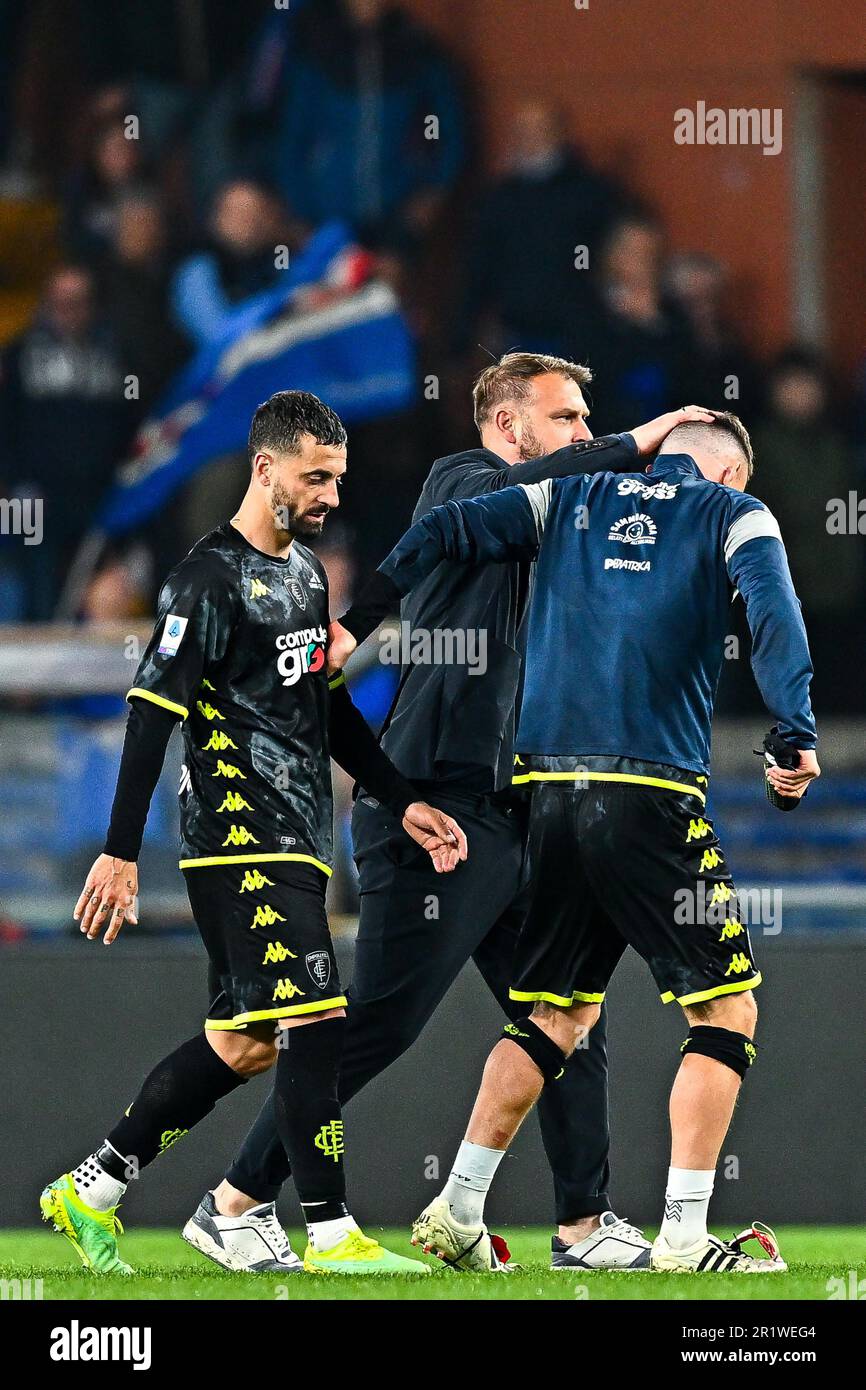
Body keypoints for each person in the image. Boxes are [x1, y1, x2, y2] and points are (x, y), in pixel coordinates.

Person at [185, 353, 717, 1275]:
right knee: (382, 1021)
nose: (587, 435)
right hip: (437, 804)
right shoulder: (464, 482)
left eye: (591, 420)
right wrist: (644, 437)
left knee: (564, 1016)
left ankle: (582, 1227)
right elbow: (541, 486)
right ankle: (234, 1202)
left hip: (522, 807)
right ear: (509, 428)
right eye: (569, 418)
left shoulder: (567, 520)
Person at [334, 410, 819, 1273]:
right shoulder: (735, 514)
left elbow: (441, 529)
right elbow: (774, 614)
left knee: (557, 1013)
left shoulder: (567, 497)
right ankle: (681, 1234)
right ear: (730, 474)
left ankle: (456, 1205)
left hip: (548, 797)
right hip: (650, 792)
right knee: (726, 1008)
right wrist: (793, 728)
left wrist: (357, 621)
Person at [39, 390, 467, 1278]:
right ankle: (331, 1231)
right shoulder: (205, 579)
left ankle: (97, 1183)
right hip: (239, 836)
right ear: (265, 466)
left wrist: (398, 796)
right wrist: (120, 850)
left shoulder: (307, 576)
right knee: (317, 1018)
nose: (331, 495)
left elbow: (325, 707)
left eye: (339, 479)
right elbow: (151, 711)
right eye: (316, 476)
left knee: (246, 1038)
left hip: (300, 833)